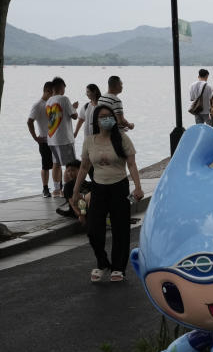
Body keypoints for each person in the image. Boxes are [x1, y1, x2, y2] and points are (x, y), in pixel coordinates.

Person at [72, 104, 143, 282]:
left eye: (109, 116)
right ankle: (102, 264)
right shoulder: (89, 140)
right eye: (102, 116)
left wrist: (138, 186)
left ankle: (118, 268)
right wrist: (75, 191)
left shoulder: (123, 139)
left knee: (120, 229)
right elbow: (84, 167)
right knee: (94, 229)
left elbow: (132, 164)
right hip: (98, 188)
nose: (106, 119)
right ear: (95, 120)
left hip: (119, 187)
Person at [45, 77, 78, 197]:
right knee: (70, 165)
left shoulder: (48, 101)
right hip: (64, 138)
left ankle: (57, 189)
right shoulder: (64, 99)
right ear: (61, 87)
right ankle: (69, 190)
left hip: (52, 138)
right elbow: (74, 116)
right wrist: (74, 107)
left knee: (56, 164)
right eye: (64, 87)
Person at [26, 81, 55, 197]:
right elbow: (29, 121)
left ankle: (59, 187)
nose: (55, 94)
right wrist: (35, 137)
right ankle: (45, 188)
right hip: (44, 140)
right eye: (53, 92)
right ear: (47, 90)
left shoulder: (52, 103)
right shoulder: (38, 105)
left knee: (57, 165)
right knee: (46, 165)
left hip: (55, 139)